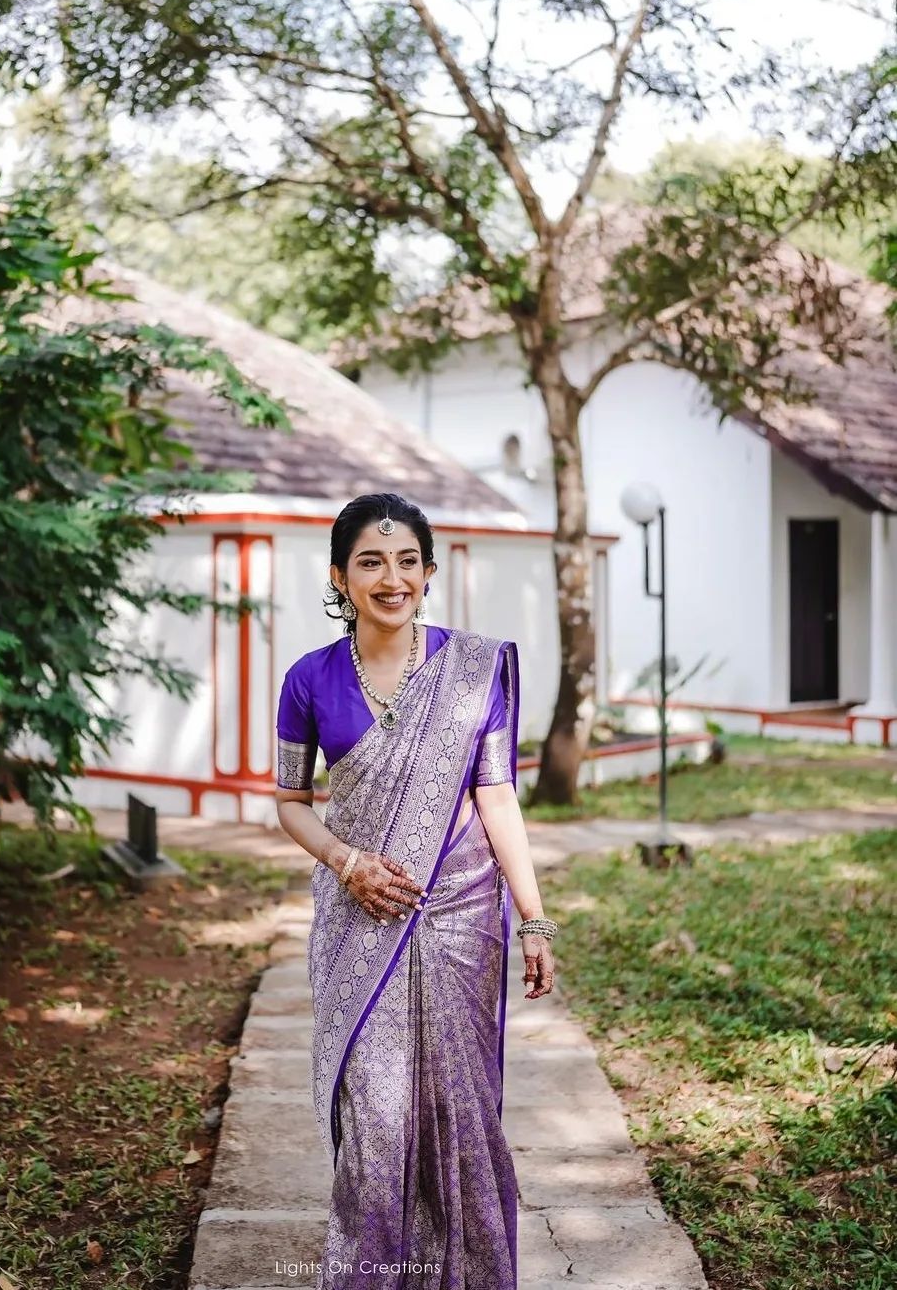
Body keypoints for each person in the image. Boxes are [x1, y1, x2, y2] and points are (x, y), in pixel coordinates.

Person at [274, 492, 557, 1290]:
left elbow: (497, 795)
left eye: (406, 561)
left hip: (464, 918)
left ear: (429, 572)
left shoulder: (474, 669)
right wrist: (346, 861)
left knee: (460, 1115)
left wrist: (534, 921)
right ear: (340, 575)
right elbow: (291, 804)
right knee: (374, 1120)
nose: (390, 577)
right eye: (370, 560)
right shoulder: (309, 679)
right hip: (358, 923)